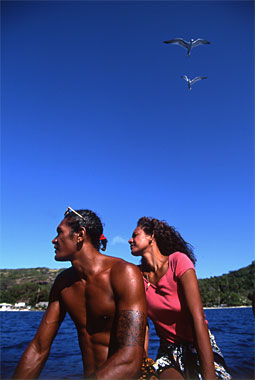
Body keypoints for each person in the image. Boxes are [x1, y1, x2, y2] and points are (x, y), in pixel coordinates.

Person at [13, 207, 147, 380]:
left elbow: (131, 358)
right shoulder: (63, 283)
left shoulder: (124, 274)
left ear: (80, 234)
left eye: (59, 233)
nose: (54, 240)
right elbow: (38, 348)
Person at [129, 217, 231, 380]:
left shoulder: (178, 261)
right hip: (168, 350)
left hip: (198, 345)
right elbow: (143, 326)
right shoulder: (136, 275)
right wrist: (142, 362)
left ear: (151, 237)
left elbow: (198, 318)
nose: (130, 240)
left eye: (135, 235)